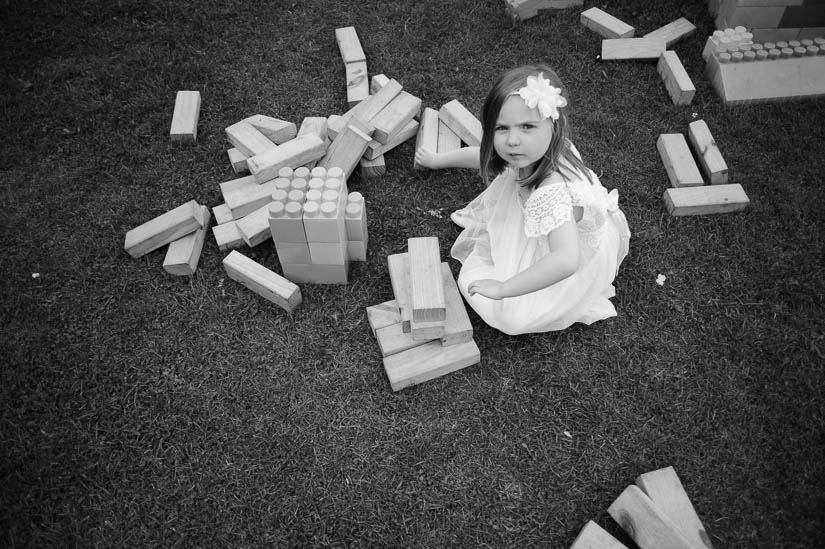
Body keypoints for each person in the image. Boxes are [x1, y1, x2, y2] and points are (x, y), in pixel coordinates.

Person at [414, 65, 631, 335]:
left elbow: (565, 259)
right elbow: (484, 159)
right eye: (502, 128)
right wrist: (437, 160)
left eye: (527, 126)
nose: (512, 141)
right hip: (554, 223)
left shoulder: (551, 192)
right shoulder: (532, 151)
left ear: (554, 125)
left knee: (512, 318)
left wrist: (504, 288)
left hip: (568, 247)